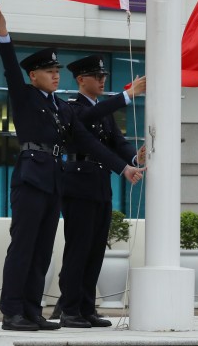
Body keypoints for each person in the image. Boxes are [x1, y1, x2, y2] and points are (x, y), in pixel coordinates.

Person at [0, 0, 144, 331]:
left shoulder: (62, 107)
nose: (56, 75)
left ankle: (32, 311)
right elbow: (9, 70)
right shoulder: (25, 96)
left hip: (54, 180)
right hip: (31, 176)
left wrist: (123, 168)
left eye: (58, 71)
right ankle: (12, 311)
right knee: (24, 246)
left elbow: (88, 142)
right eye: (49, 71)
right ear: (33, 76)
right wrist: (4, 35)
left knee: (43, 249)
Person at [53, 55, 146, 328]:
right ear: (81, 80)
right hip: (79, 184)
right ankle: (69, 309)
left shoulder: (102, 112)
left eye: (103, 75)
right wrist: (125, 96)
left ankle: (85, 308)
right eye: (96, 76)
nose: (102, 79)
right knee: (78, 248)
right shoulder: (73, 107)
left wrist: (134, 159)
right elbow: (86, 119)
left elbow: (117, 141)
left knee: (95, 250)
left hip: (99, 185)